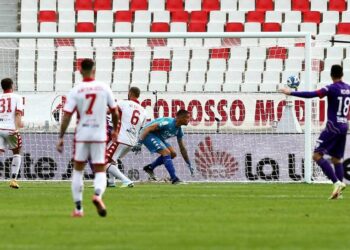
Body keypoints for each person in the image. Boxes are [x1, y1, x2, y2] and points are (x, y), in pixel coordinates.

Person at [56, 59, 119, 217]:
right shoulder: (104, 88)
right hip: (99, 134)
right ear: (94, 70)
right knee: (100, 170)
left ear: (80, 71)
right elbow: (115, 112)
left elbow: (67, 116)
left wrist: (61, 136)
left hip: (82, 134)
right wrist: (116, 130)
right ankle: (97, 195)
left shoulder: (76, 90)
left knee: (78, 170)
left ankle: (78, 209)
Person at [280, 65, 349, 199]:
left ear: (331, 75)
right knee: (336, 159)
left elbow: (312, 94)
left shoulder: (331, 88)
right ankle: (338, 193)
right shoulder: (348, 88)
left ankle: (336, 183)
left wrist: (290, 93)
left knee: (316, 156)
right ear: (342, 74)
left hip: (332, 126)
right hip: (344, 126)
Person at [137, 109, 194, 184]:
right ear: (179, 118)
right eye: (187, 117)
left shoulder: (179, 130)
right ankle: (174, 179)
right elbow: (148, 128)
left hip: (157, 137)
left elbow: (182, 148)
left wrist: (188, 163)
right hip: (147, 134)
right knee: (166, 152)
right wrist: (139, 142)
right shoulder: (168, 123)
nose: (189, 120)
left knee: (173, 154)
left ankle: (150, 167)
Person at [106, 87, 147, 188]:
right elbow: (141, 127)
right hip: (132, 142)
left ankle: (126, 180)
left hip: (120, 138)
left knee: (103, 161)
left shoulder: (123, 103)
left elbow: (108, 111)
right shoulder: (143, 111)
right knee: (112, 160)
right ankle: (111, 182)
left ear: (129, 93)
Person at [0, 78, 24, 189]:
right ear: (12, 86)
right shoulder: (17, 97)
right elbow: (18, 114)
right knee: (17, 152)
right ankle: (13, 180)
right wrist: (18, 127)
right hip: (10, 130)